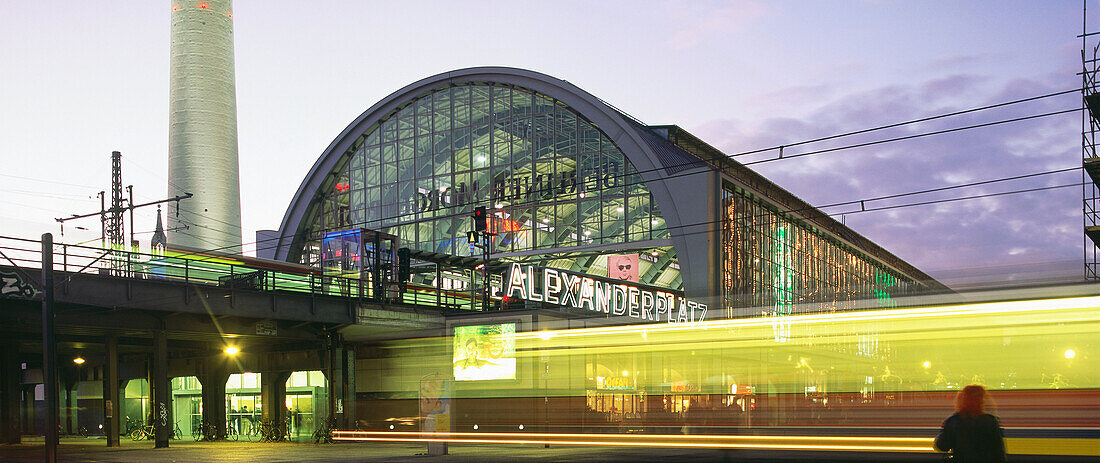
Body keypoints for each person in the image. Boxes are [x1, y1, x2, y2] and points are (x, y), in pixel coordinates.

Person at [934, 384, 1006, 462]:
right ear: (981, 401)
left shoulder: (954, 421)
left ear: (962, 400)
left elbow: (942, 446)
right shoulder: (991, 421)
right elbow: (999, 452)